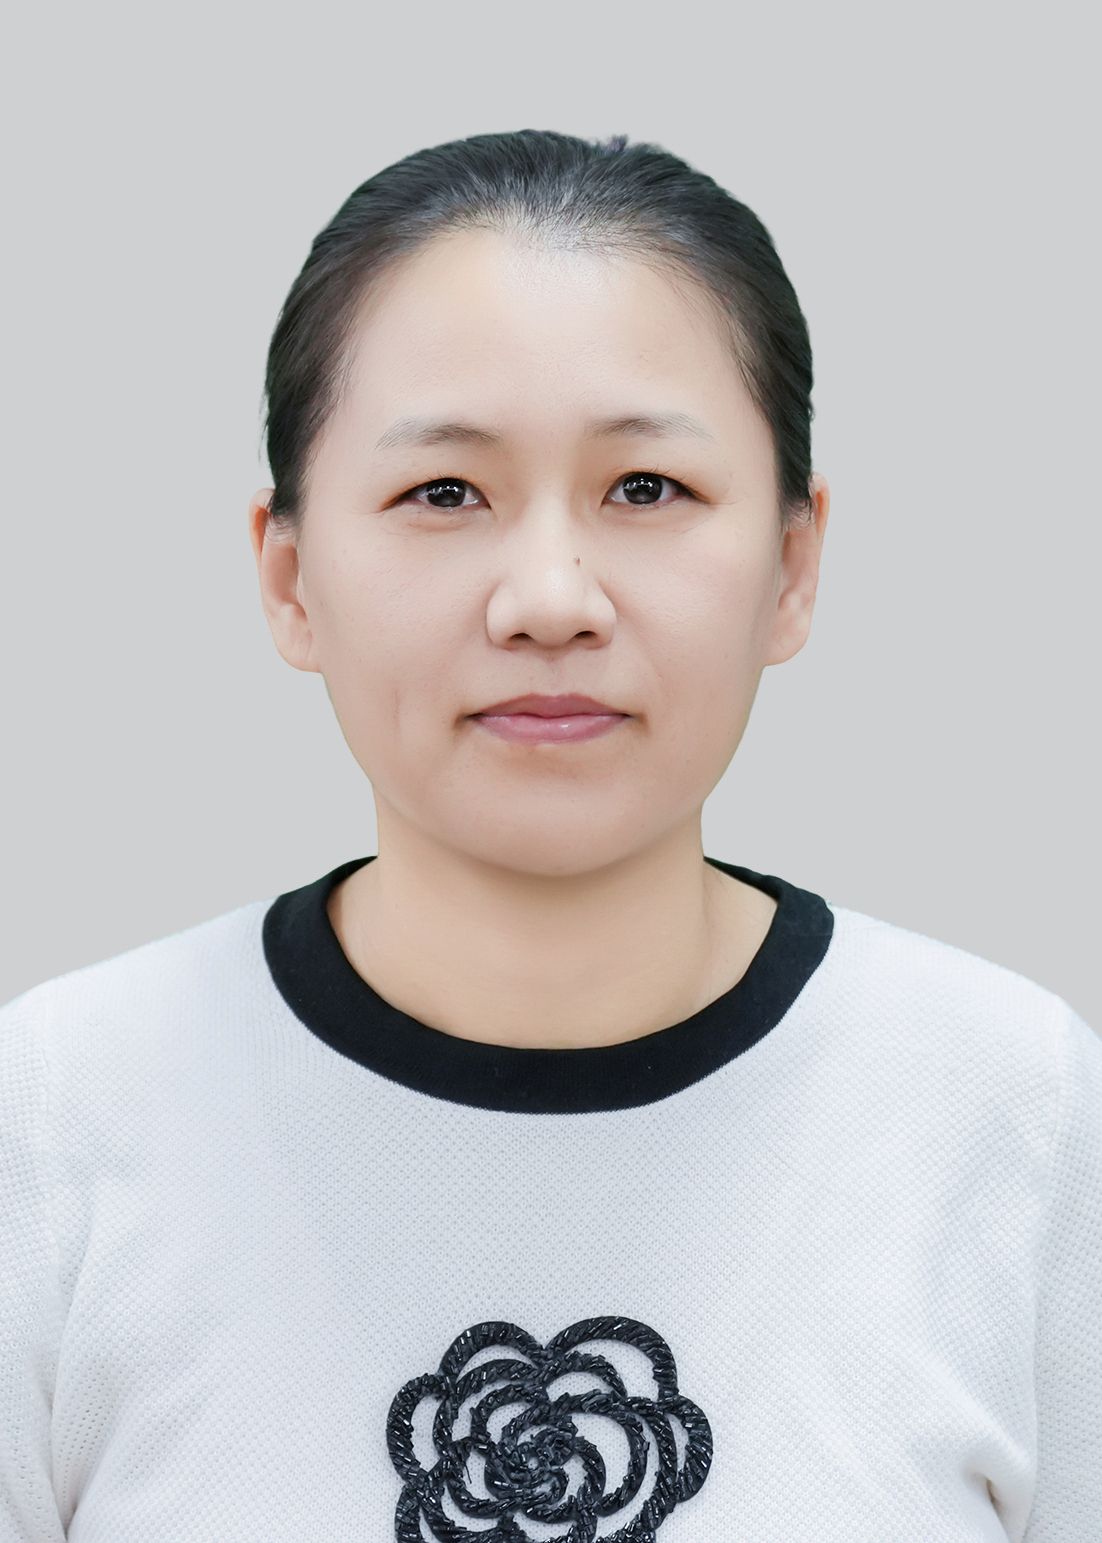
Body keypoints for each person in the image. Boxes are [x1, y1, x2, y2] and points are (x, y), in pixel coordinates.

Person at [1, 130, 1098, 1542]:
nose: (550, 599)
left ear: (792, 564)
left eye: (645, 490)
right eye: (443, 494)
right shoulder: (54, 1122)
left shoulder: (1017, 1117)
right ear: (288, 576)